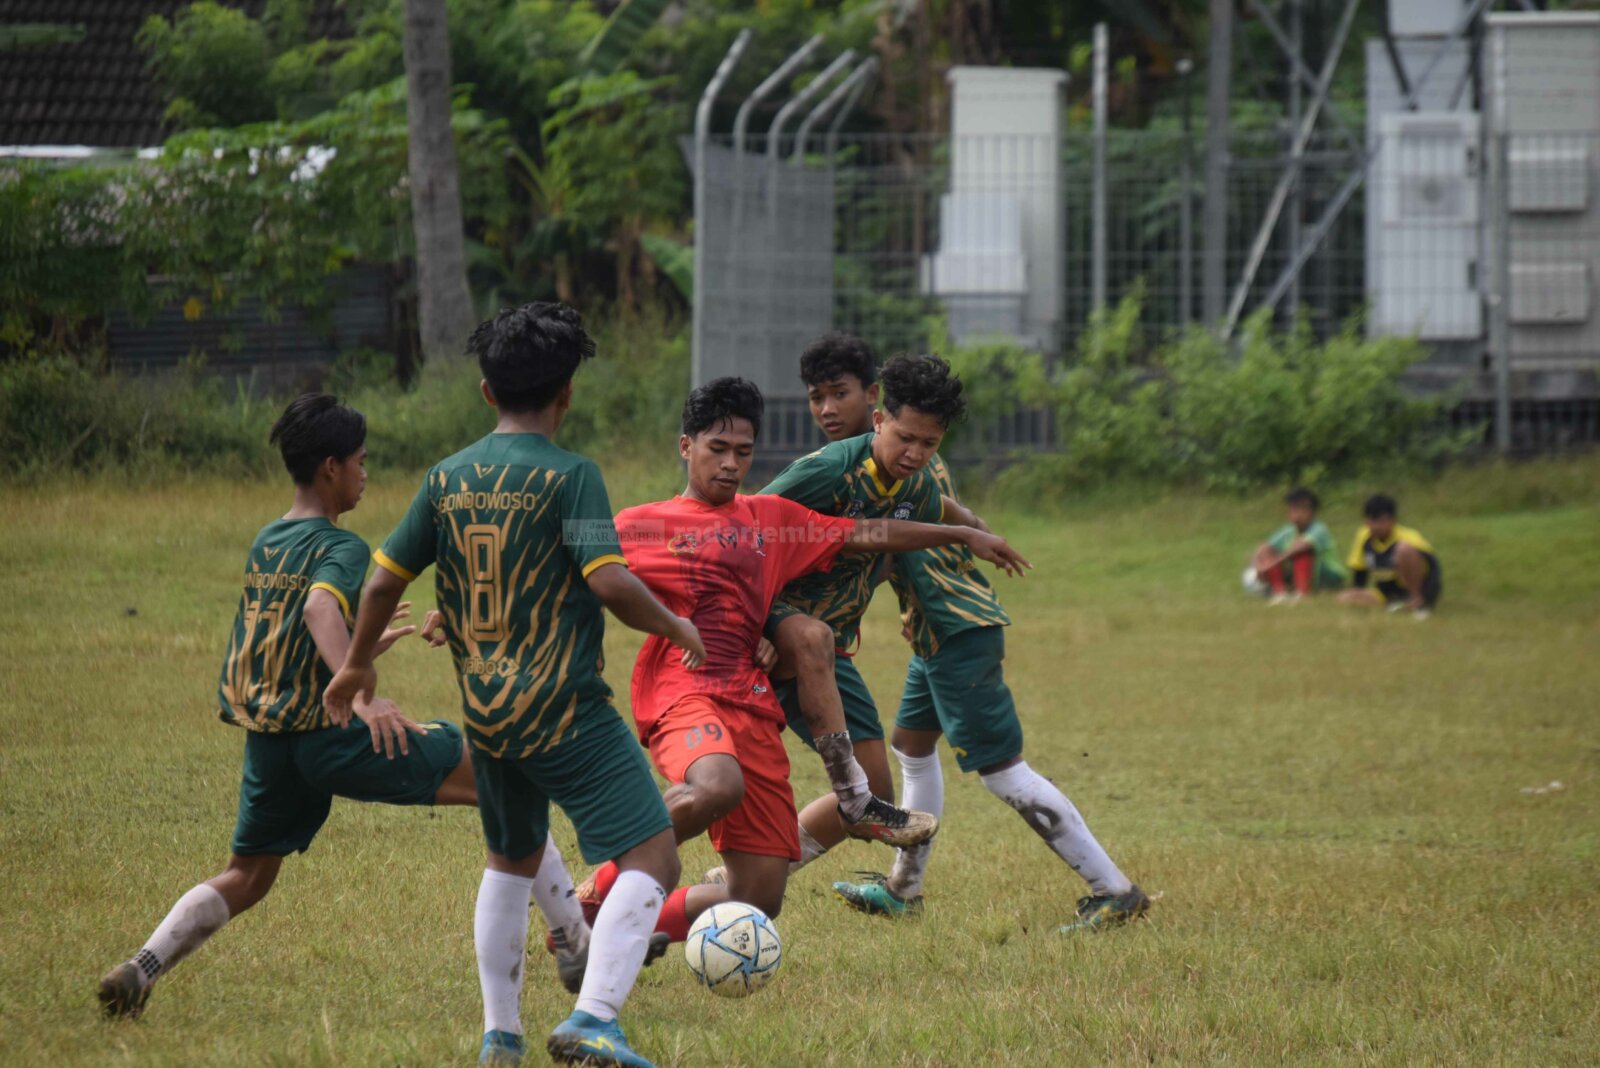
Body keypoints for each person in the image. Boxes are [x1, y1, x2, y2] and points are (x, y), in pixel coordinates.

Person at [325, 303, 706, 1068]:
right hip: (565, 709)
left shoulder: (445, 478)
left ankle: (501, 1037)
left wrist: (358, 663)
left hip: (489, 714)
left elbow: (381, 582)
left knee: (512, 860)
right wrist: (676, 625)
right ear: (567, 393)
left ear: (486, 390)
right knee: (655, 858)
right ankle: (594, 1019)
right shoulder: (572, 476)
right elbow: (609, 581)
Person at [573, 377, 1025, 938]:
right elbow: (571, 558)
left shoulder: (771, 519)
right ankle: (591, 898)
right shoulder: (642, 523)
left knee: (755, 900)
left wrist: (959, 534)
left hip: (752, 702)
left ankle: (627, 934)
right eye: (717, 449)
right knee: (717, 786)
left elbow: (869, 532)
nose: (731, 465)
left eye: (743, 452)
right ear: (686, 446)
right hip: (683, 690)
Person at [97, 394, 479, 1020]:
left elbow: (287, 627)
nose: (365, 473)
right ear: (331, 466)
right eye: (360, 461)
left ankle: (142, 968)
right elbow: (318, 607)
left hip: (271, 741)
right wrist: (358, 688)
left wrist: (359, 645)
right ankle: (574, 936)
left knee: (248, 874)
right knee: (496, 776)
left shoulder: (269, 539)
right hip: (330, 733)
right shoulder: (342, 546)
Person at [794, 337, 1151, 932]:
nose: (829, 409)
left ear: (874, 403)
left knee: (1002, 770)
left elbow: (882, 545)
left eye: (842, 395)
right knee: (912, 747)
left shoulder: (898, 460)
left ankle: (1114, 889)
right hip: (933, 632)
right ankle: (904, 890)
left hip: (956, 627)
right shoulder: (883, 460)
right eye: (818, 398)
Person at [759, 348, 1028, 876]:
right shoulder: (827, 471)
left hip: (830, 647)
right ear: (880, 418)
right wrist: (756, 625)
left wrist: (975, 528)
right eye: (905, 438)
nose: (915, 453)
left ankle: (749, 878)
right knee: (730, 777)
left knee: (872, 793)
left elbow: (927, 509)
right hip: (778, 634)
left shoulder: (914, 484)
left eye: (929, 444)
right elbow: (744, 529)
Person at [1337, 493, 1442, 619]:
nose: (1377, 526)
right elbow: (1359, 570)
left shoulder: (1408, 537)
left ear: (1393, 520)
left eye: (1382, 521)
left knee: (1403, 549)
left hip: (1417, 590)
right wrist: (1358, 592)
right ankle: (1398, 604)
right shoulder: (1363, 536)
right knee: (1344, 597)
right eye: (1372, 521)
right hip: (1387, 593)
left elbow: (1433, 566)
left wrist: (1429, 595)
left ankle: (1416, 600)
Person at [1248, 487, 1347, 604]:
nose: (1299, 513)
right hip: (1307, 574)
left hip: (1328, 574)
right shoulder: (1288, 530)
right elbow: (1264, 547)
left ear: (1313, 512)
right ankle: (1280, 593)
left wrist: (1272, 563)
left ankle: (1302, 594)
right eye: (1295, 508)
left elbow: (1300, 546)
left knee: (1301, 554)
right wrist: (1257, 566)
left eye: (1304, 509)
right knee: (1267, 554)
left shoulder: (1319, 529)